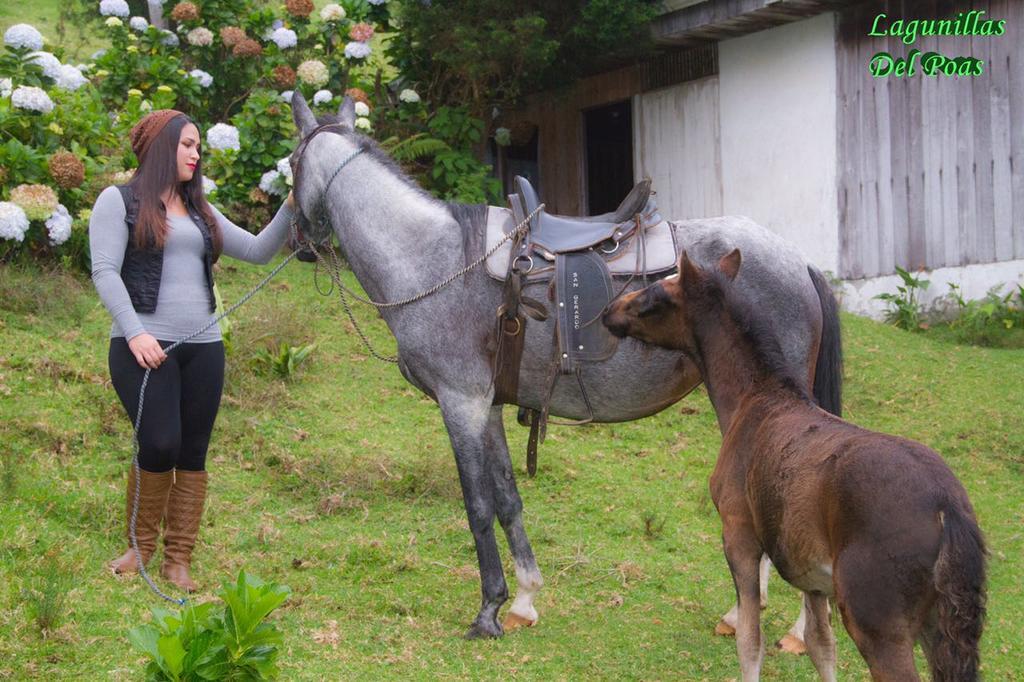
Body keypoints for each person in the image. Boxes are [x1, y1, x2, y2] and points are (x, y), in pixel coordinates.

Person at [89, 109, 295, 592]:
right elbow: (104, 270)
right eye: (187, 144)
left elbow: (259, 250)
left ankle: (177, 559)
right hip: (142, 346)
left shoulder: (200, 207)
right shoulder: (117, 201)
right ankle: (139, 546)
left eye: (197, 145)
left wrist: (292, 200)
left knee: (192, 451)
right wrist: (137, 333)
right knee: (159, 443)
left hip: (204, 347)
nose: (196, 154)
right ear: (162, 146)